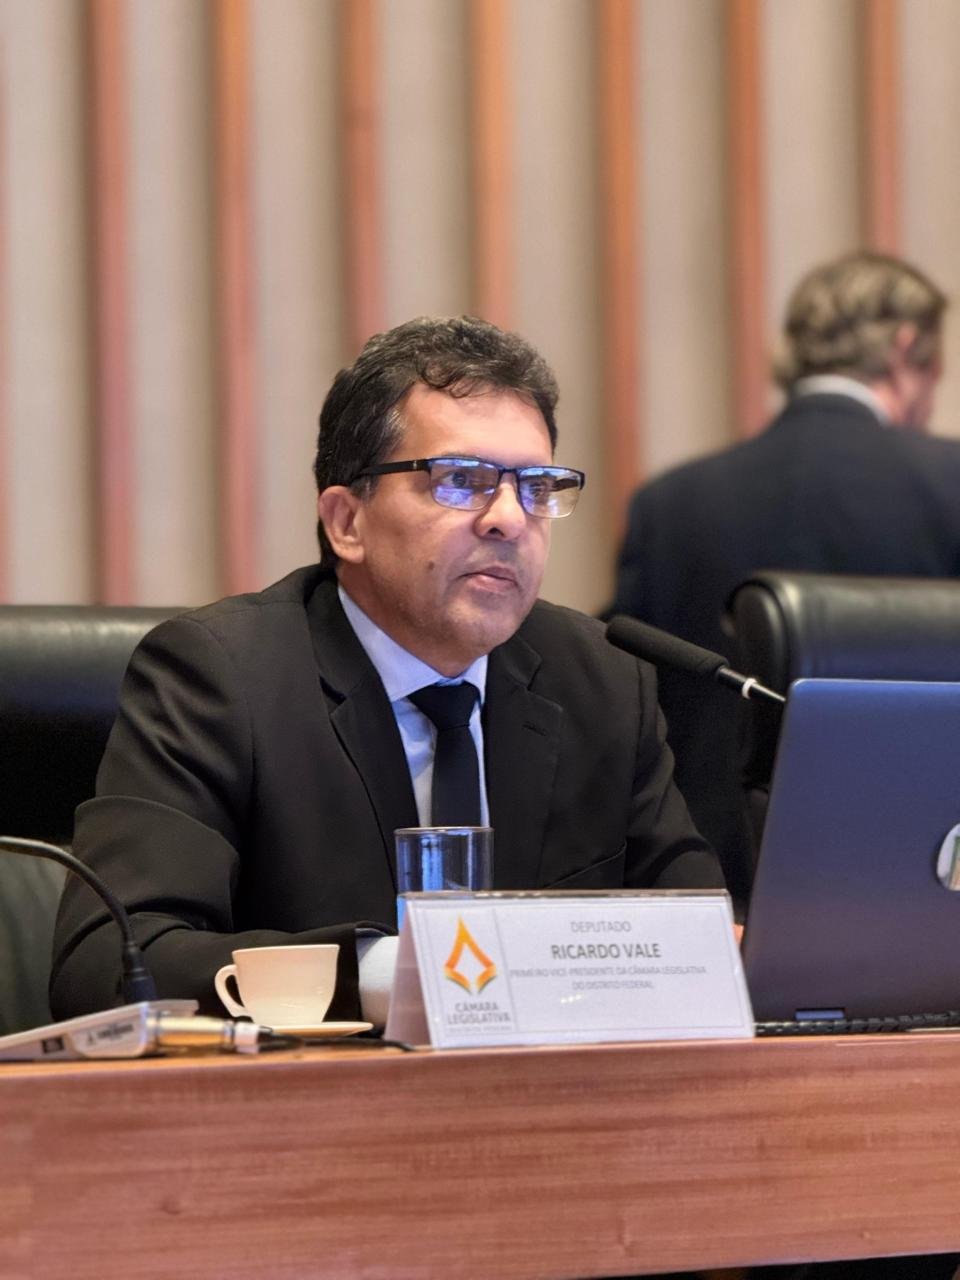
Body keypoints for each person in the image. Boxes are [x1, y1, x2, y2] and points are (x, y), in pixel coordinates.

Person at [50, 315, 724, 1026]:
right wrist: (393, 977)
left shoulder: (602, 682)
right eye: (461, 481)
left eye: (536, 486)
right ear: (347, 522)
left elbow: (700, 941)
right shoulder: (222, 679)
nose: (509, 518)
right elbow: (112, 964)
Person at [610, 250, 960, 904]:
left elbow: (629, 693)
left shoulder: (672, 503)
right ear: (906, 346)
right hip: (920, 880)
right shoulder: (950, 482)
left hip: (710, 882)